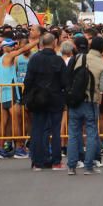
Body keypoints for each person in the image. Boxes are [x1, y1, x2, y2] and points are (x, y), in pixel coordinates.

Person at [24, 33, 69, 171]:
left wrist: (27, 97)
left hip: (38, 98)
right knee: (55, 131)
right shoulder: (58, 60)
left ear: (41, 43)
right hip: (55, 98)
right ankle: (56, 161)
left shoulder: (34, 59)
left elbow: (28, 80)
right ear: (54, 43)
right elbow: (65, 82)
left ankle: (37, 162)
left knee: (37, 129)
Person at [66, 36, 103, 175]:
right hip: (91, 102)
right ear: (102, 48)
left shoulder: (78, 58)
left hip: (75, 101)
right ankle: (88, 166)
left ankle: (71, 166)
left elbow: (68, 77)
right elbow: (102, 87)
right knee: (91, 133)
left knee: (73, 133)